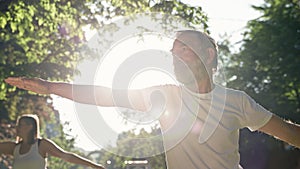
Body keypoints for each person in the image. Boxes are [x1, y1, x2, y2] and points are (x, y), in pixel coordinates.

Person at [5, 30, 300, 169]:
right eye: (172, 51)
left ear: (207, 55)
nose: (174, 55)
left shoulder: (237, 101)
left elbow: (289, 133)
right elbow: (103, 95)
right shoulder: (165, 96)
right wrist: (49, 87)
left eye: (183, 48)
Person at [0, 114, 105, 169]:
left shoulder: (41, 145)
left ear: (30, 127)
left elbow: (66, 156)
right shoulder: (14, 147)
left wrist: (94, 165)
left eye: (20, 125)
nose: (16, 128)